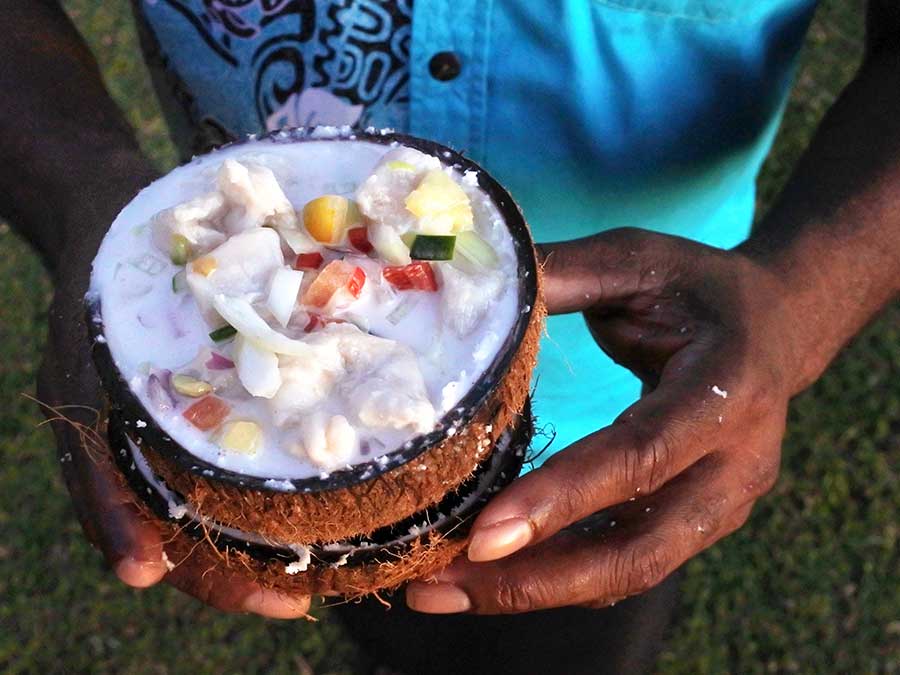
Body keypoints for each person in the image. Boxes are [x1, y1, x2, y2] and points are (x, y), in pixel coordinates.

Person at [2, 1, 898, 673]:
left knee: (566, 646)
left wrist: (801, 292)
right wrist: (91, 193)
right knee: (396, 626)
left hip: (622, 403)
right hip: (225, 345)